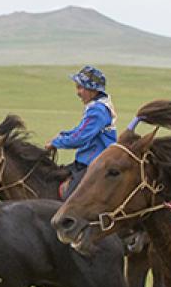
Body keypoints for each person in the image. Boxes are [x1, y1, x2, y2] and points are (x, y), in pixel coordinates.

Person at [45, 65, 118, 197]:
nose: (77, 92)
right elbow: (79, 131)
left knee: (71, 198)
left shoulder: (98, 111)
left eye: (80, 88)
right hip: (86, 162)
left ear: (92, 90)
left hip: (94, 164)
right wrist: (62, 135)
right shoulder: (96, 107)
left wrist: (56, 143)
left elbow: (79, 138)